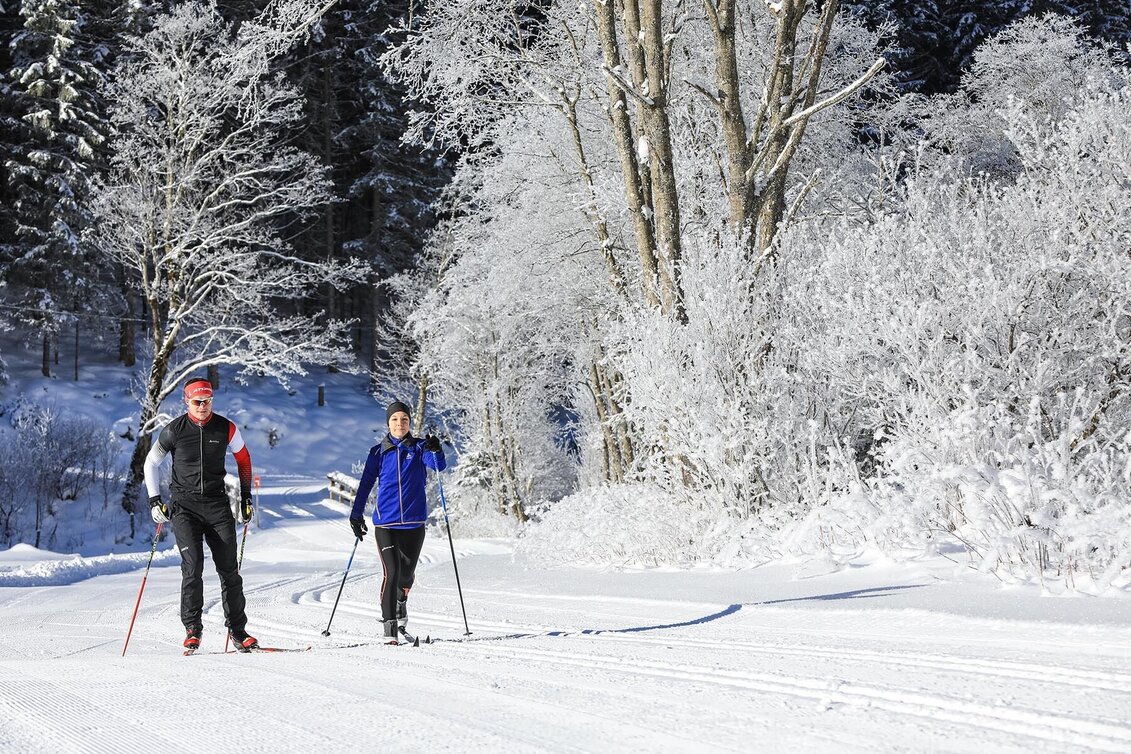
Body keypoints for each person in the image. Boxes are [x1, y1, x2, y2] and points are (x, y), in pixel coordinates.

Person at [143, 377, 258, 653]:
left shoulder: (226, 427)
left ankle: (238, 631)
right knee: (193, 567)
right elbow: (151, 462)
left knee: (230, 569)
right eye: (198, 402)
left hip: (217, 505)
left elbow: (243, 459)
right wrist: (155, 500)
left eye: (208, 401)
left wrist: (245, 497)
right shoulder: (174, 431)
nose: (204, 406)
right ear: (187, 402)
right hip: (185, 507)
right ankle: (193, 628)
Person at [349, 400, 446, 645]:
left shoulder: (421, 448)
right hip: (386, 525)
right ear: (388, 423)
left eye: (404, 419)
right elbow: (365, 486)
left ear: (409, 422)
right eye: (394, 419)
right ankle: (389, 628)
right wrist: (356, 514)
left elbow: (438, 466)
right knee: (391, 574)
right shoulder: (378, 452)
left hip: (414, 524)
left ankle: (401, 603)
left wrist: (437, 449)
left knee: (406, 576)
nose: (399, 423)